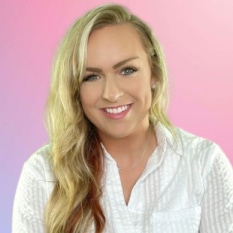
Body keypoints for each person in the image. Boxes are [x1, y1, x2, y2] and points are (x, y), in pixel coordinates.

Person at [12, 4, 233, 233]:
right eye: (92, 77)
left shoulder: (204, 164)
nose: (111, 94)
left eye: (127, 70)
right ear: (74, 88)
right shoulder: (43, 174)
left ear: (154, 74)